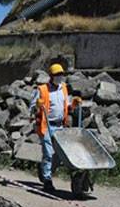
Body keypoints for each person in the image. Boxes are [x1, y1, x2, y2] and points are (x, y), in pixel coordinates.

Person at [29, 63, 81, 192]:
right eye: (57, 75)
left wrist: (74, 104)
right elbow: (32, 108)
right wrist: (37, 105)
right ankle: (47, 180)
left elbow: (66, 106)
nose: (60, 77)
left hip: (59, 126)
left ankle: (44, 170)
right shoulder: (42, 90)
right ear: (51, 76)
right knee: (48, 153)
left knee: (58, 155)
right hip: (45, 125)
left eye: (61, 74)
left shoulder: (63, 88)